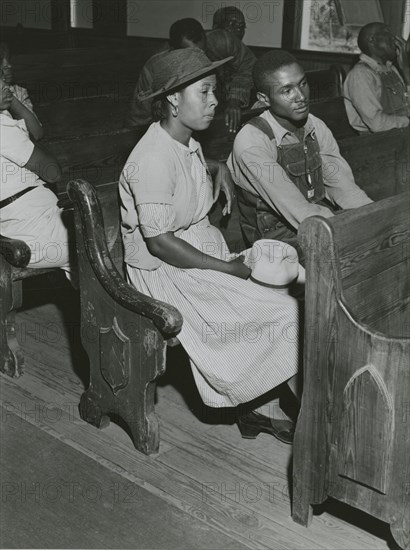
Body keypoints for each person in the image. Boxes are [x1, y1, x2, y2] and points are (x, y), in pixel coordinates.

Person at [119, 48, 302, 444]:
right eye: (204, 92)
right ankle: (310, 413)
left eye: (214, 91)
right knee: (284, 310)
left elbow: (187, 169)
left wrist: (216, 167)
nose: (215, 101)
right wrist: (228, 270)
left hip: (196, 253)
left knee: (279, 285)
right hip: (166, 272)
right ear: (172, 100)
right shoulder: (150, 158)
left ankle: (261, 408)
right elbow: (162, 243)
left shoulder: (185, 141)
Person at [228, 50, 373, 263]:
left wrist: (376, 217)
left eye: (303, 83)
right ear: (264, 98)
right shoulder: (252, 142)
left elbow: (343, 187)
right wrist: (354, 233)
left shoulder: (315, 125)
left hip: (315, 220)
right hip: (275, 242)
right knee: (357, 257)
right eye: (286, 90)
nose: (301, 96)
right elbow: (297, 209)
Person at [127, 17, 255, 134]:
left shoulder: (223, 41)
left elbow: (249, 66)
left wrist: (235, 100)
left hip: (222, 104)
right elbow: (139, 117)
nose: (200, 59)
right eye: (191, 55)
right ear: (173, 48)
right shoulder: (155, 67)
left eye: (203, 52)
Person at [0, 77, 72, 275]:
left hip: (16, 227)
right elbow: (53, 172)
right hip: (38, 229)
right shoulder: (2, 127)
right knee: (107, 239)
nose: (6, 85)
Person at [344, 23, 410, 133]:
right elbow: (377, 124)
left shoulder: (391, 69)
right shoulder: (360, 74)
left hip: (399, 135)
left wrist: (406, 71)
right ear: (372, 40)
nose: (394, 38)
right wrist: (407, 121)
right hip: (376, 143)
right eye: (387, 33)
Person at [0, 42, 43, 140]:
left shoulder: (18, 92)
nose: (8, 65)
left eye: (8, 59)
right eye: (1, 60)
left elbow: (37, 133)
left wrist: (9, 97)